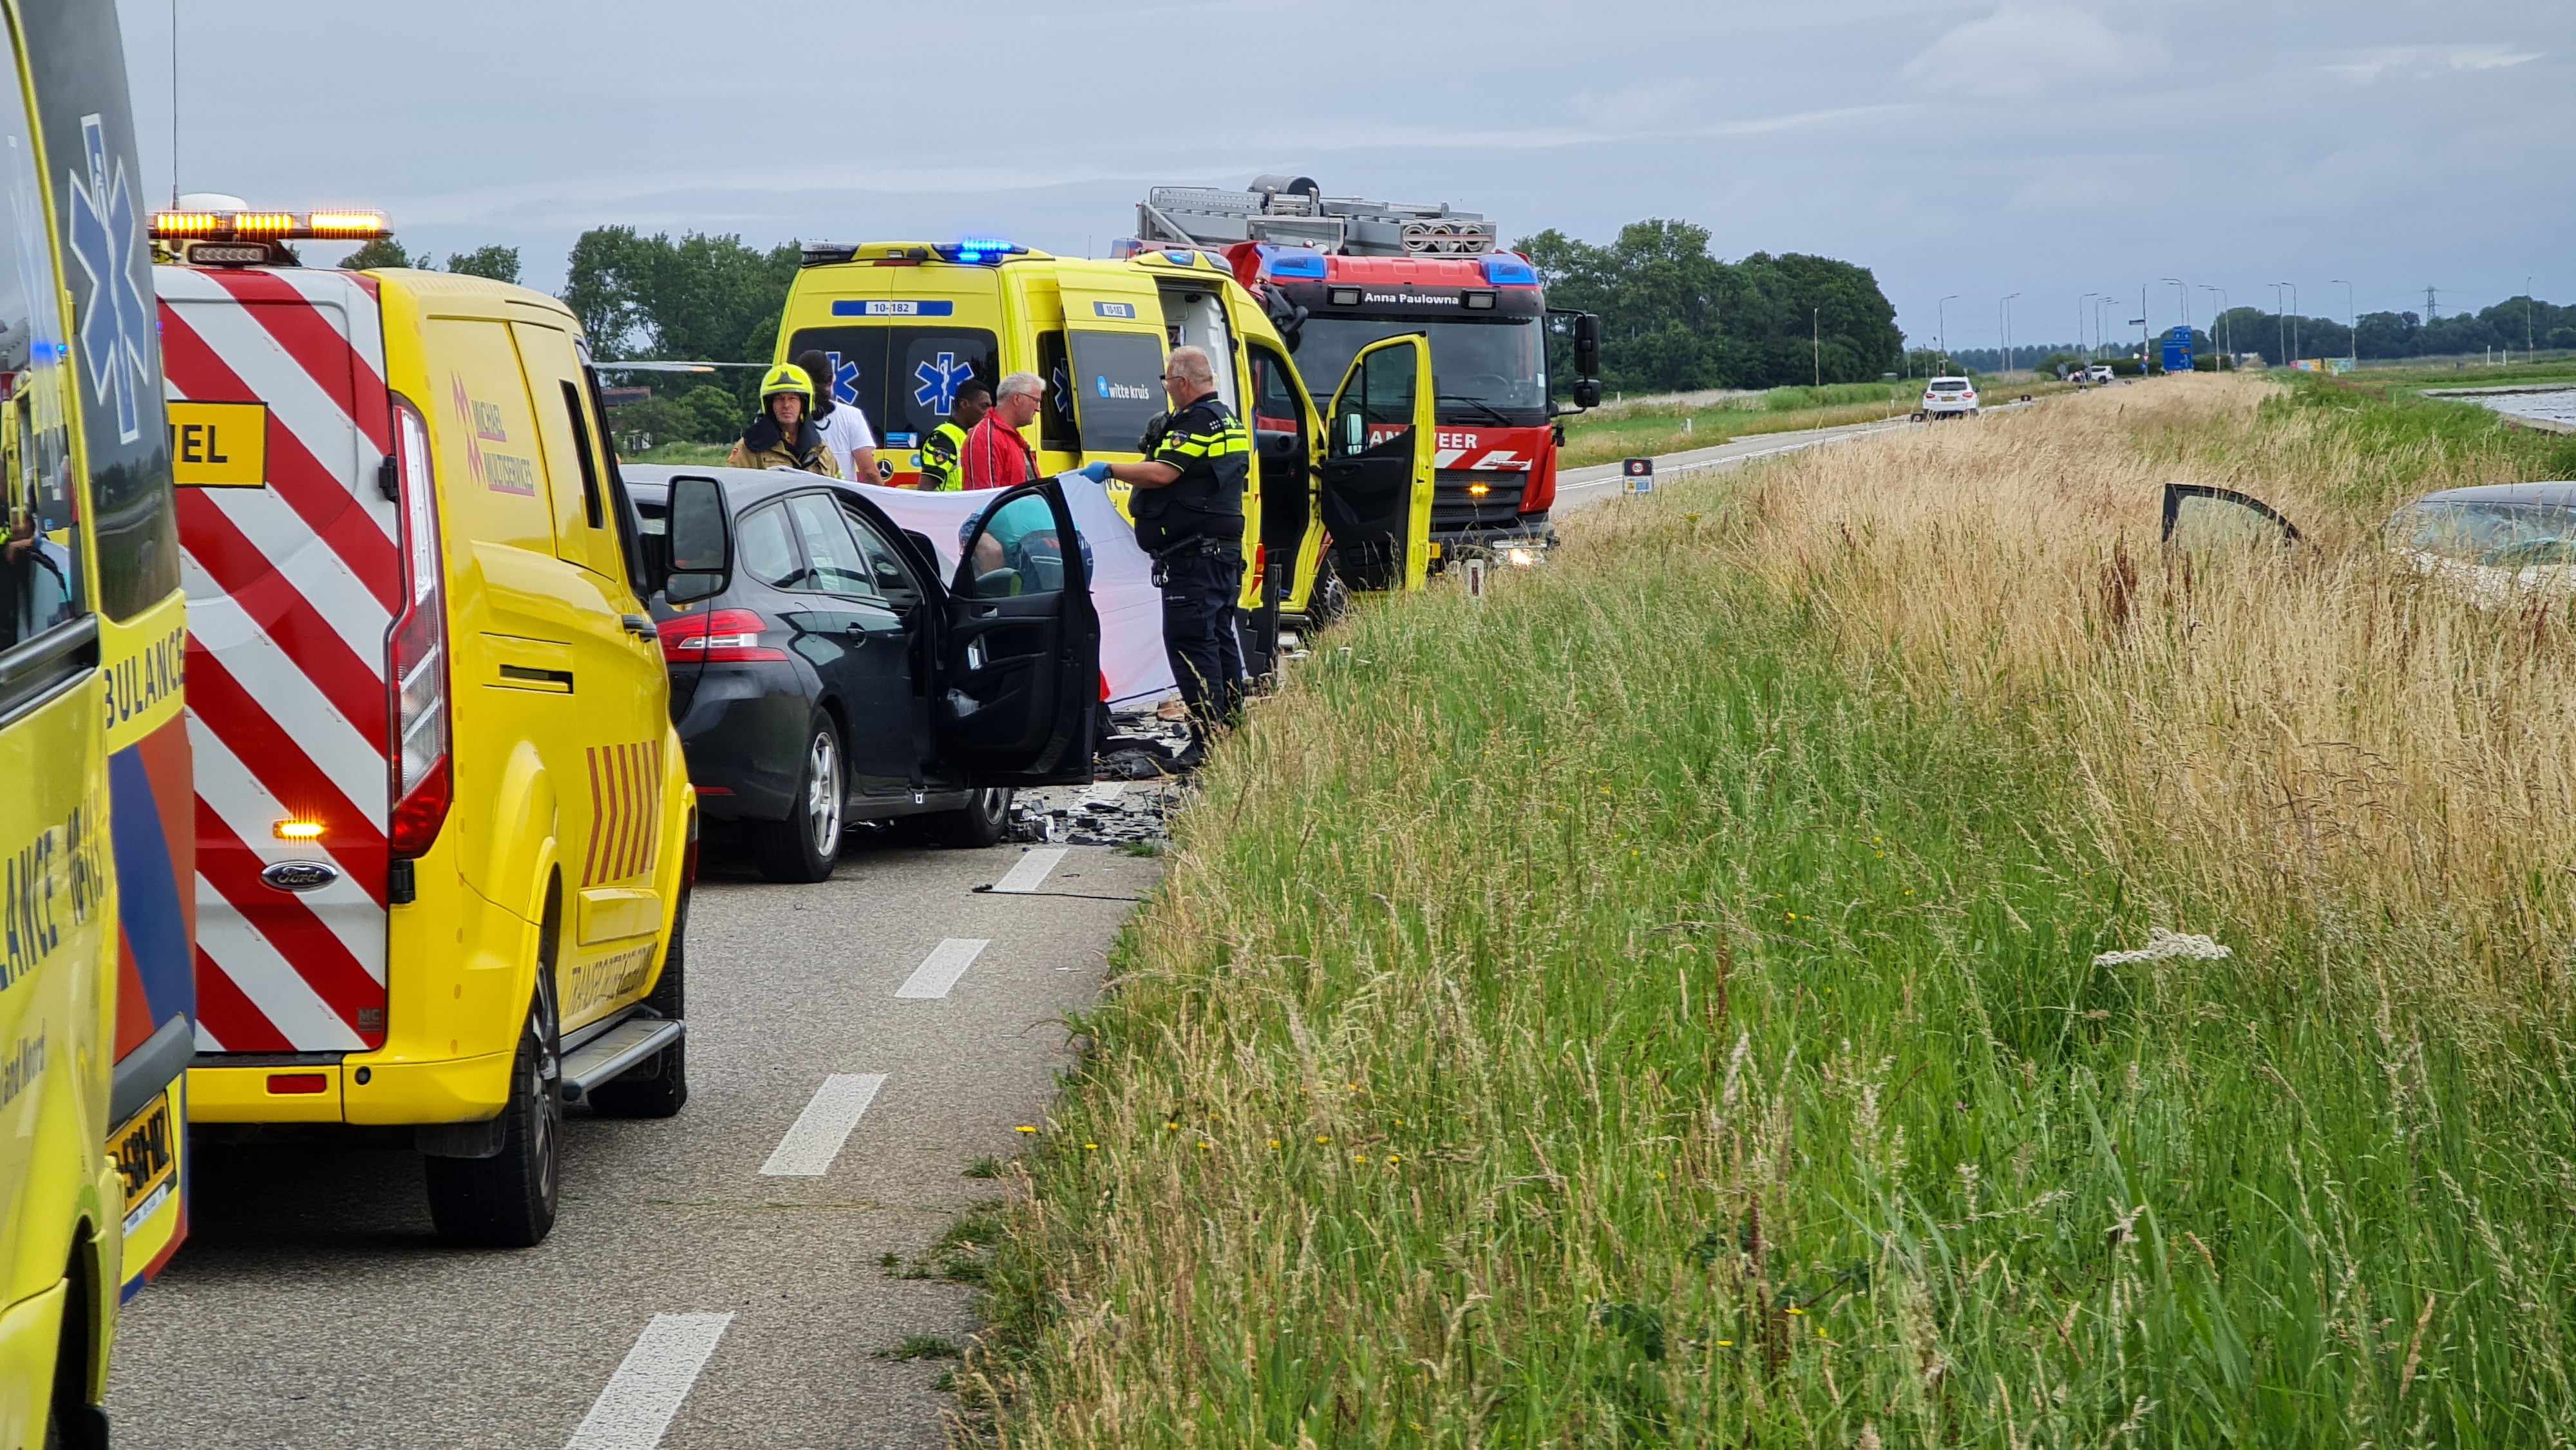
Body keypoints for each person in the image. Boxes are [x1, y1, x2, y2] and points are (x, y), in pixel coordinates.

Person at [1082, 346, 1247, 754]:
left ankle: (1208, 740)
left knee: (1192, 643)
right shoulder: (1229, 419)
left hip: (1195, 557)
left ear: (1183, 382)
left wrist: (1110, 470)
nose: (1167, 390)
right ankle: (1232, 732)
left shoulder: (1196, 422)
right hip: (1220, 554)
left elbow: (1164, 472)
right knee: (1219, 638)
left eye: (1168, 382)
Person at [727, 363, 840, 476]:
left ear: (804, 404)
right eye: (780, 399)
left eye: (793, 398)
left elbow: (840, 489)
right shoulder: (750, 447)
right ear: (770, 405)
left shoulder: (820, 449)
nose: (786, 405)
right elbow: (733, 486)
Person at [795, 348, 878, 484]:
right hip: (839, 502)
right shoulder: (852, 416)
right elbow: (870, 472)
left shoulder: (787, 417)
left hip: (798, 501)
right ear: (832, 380)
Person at [961, 372, 1043, 491]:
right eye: (1036, 400)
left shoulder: (1011, 438)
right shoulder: (987, 438)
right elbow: (986, 498)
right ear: (1017, 398)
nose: (1038, 408)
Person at [917, 379, 989, 491]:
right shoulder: (945, 437)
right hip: (944, 508)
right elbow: (926, 488)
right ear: (965, 404)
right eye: (984, 406)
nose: (988, 412)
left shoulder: (965, 435)